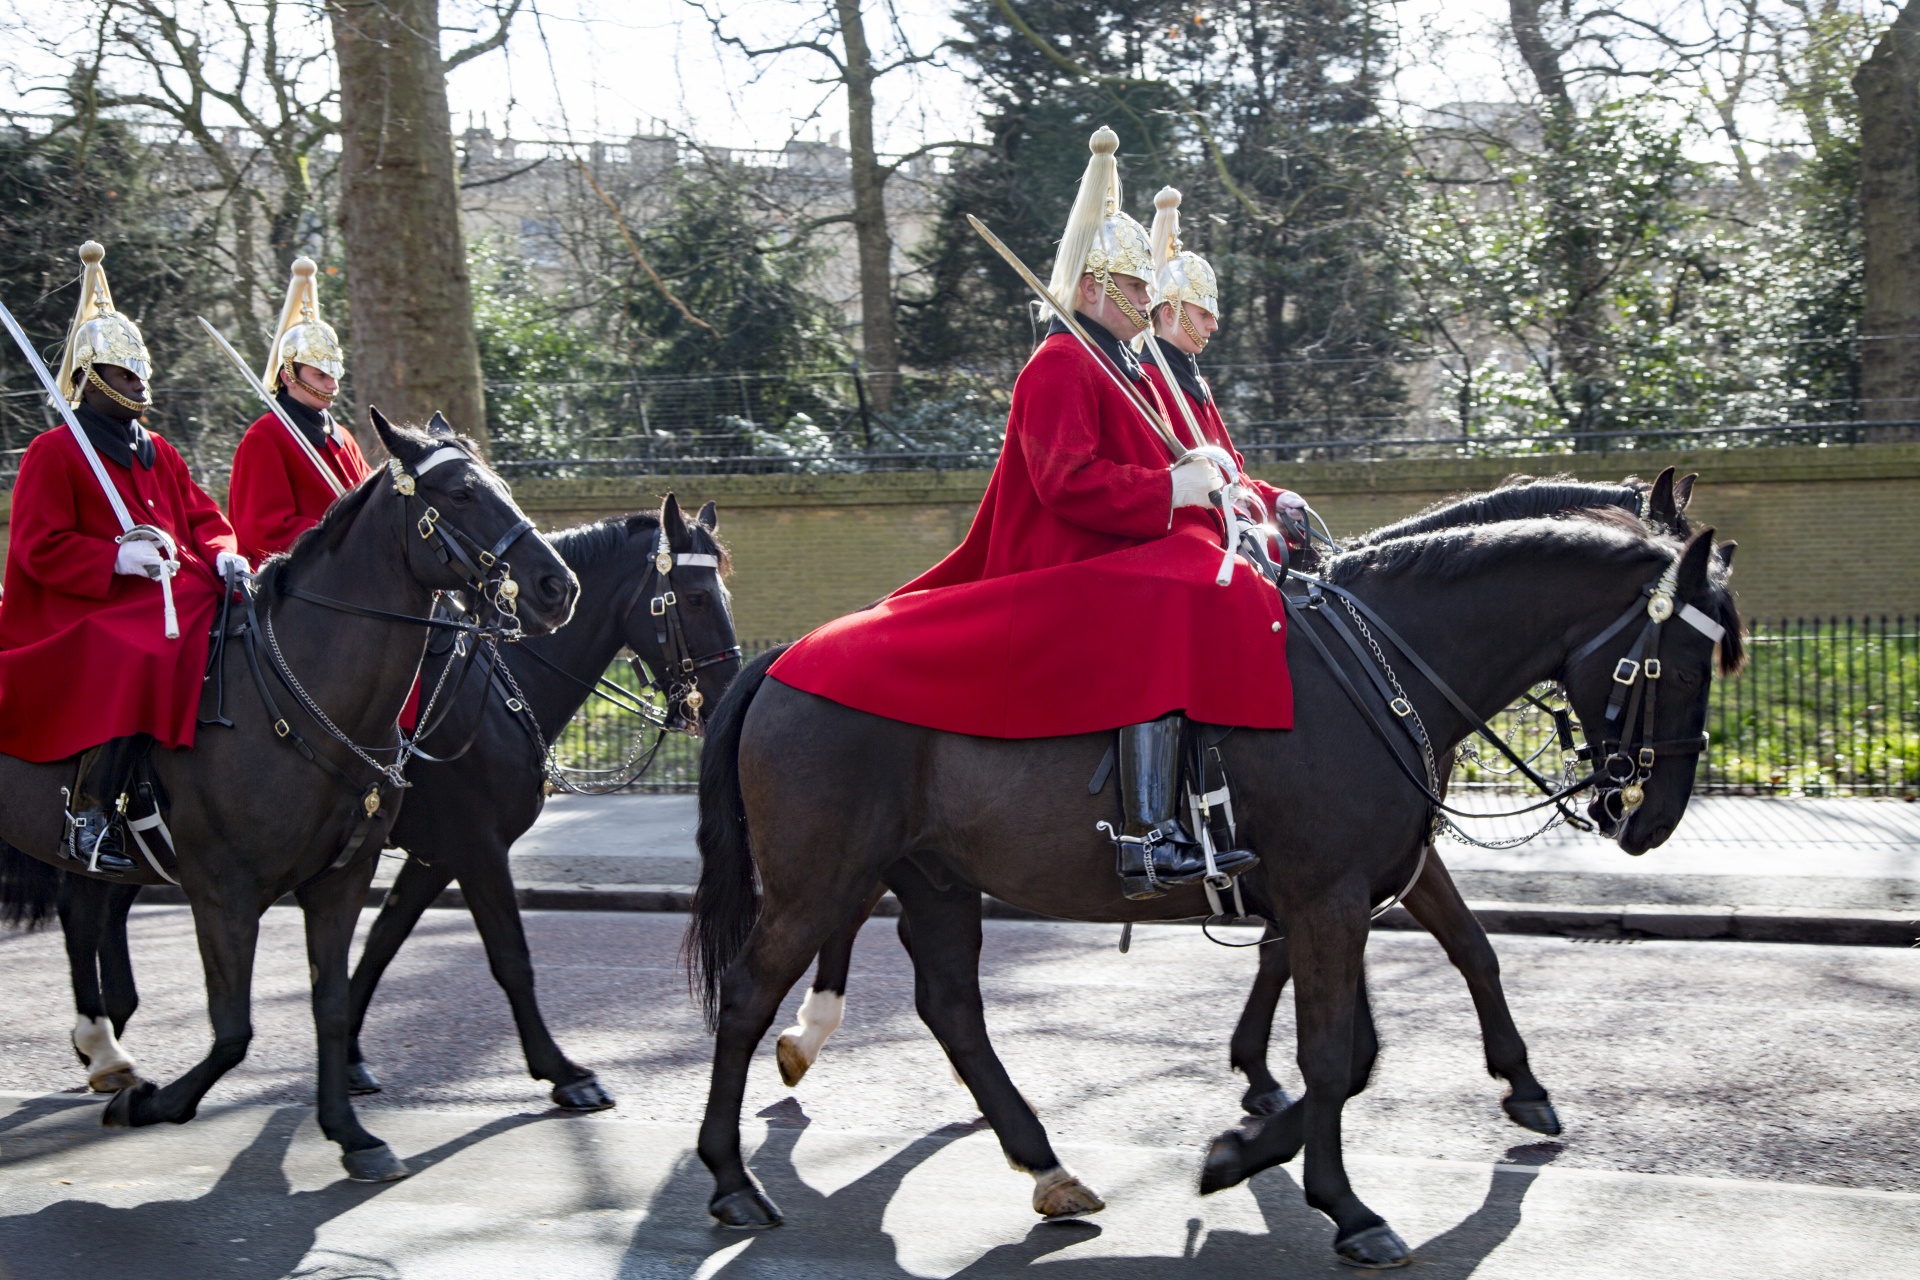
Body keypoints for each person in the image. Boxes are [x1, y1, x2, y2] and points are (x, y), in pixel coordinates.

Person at [768, 128, 1293, 899]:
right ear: (1090, 287)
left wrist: (1205, 486)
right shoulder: (1057, 365)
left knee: (1214, 566)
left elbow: (1153, 461)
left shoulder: (1119, 363)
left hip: (1117, 542)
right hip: (1068, 555)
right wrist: (1171, 493)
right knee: (1184, 582)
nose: (1150, 304)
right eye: (1135, 288)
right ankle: (1144, 836)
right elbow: (1065, 484)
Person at [0, 241, 247, 874]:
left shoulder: (158, 449)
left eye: (141, 374)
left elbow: (203, 518)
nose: (139, 384)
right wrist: (115, 557)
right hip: (87, 606)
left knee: (236, 621)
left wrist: (223, 556)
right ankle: (89, 809)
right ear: (90, 378)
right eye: (124, 374)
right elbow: (37, 547)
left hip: (175, 586)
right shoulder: (54, 452)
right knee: (140, 648)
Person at [1135, 186, 1307, 555]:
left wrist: (1275, 499)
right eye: (1203, 315)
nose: (1213, 326)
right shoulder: (1152, 380)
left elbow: (1232, 472)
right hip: (1204, 534)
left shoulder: (1193, 380)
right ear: (1168, 313)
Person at [226, 256, 370, 563]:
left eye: (333, 375)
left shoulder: (341, 434)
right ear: (288, 376)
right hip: (299, 584)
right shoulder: (265, 436)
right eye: (320, 375)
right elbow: (264, 530)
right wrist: (339, 534)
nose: (332, 385)